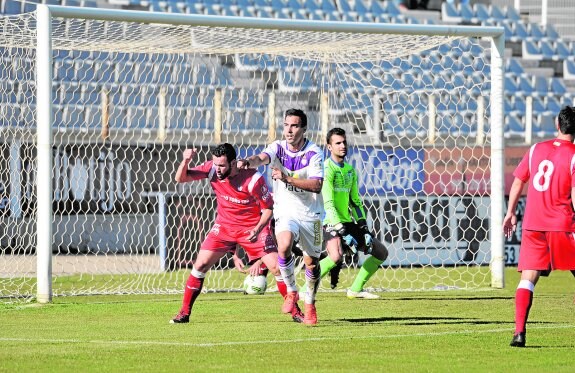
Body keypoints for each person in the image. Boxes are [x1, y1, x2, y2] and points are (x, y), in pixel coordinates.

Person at [170, 143, 302, 323]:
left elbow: (268, 209)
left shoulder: (254, 179)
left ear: (233, 163)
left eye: (222, 165)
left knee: (277, 268)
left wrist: (257, 229)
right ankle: (184, 313)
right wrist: (185, 161)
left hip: (252, 228)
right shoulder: (212, 169)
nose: (217, 169)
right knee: (199, 265)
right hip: (224, 227)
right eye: (215, 164)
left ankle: (296, 311)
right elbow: (181, 178)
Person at [238, 108, 324, 325]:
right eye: (286, 125)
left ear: (303, 129)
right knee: (283, 246)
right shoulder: (277, 147)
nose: (289, 130)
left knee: (311, 263)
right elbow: (261, 157)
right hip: (286, 209)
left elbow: (316, 185)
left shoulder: (314, 152)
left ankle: (310, 303)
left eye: (294, 126)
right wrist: (248, 162)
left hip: (310, 214)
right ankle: (292, 292)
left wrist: (287, 179)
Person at [503, 106, 575, 347]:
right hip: (562, 224)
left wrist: (510, 212)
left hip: (534, 225)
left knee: (527, 279)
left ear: (557, 124)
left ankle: (519, 332)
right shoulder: (574, 154)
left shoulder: (535, 149)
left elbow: (517, 182)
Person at [300, 127, 389, 299]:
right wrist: (341, 229)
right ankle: (304, 290)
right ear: (329, 147)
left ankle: (355, 290)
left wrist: (363, 226)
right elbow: (328, 203)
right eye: (338, 143)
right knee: (336, 255)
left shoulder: (349, 170)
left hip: (345, 221)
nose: (342, 146)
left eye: (344, 142)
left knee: (381, 252)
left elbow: (355, 202)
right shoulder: (326, 169)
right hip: (327, 222)